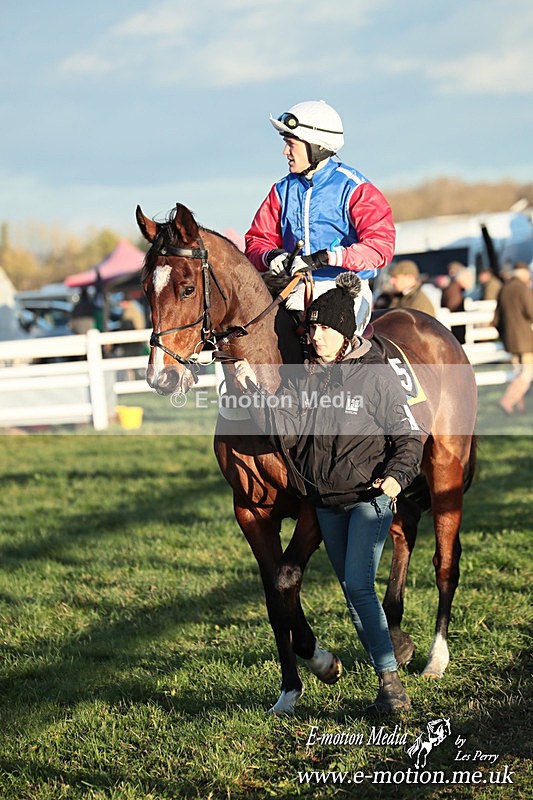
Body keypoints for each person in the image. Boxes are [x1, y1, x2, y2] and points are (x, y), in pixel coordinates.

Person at [234, 273, 424, 715]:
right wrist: (253, 390)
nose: (314, 336)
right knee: (353, 591)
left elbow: (408, 437)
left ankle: (392, 687)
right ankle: (387, 676)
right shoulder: (310, 379)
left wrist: (395, 479)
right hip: (327, 506)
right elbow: (290, 433)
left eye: (323, 329)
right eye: (312, 328)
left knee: (358, 586)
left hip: (368, 500)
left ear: (344, 333)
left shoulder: (375, 375)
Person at [245, 100, 396, 334]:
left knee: (329, 346)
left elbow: (380, 248)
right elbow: (256, 240)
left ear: (316, 146)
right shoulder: (281, 190)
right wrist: (270, 256)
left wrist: (325, 258)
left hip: (346, 290)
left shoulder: (356, 189)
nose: (285, 152)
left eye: (291, 144)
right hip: (296, 289)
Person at [493, 262, 533, 414]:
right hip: (525, 339)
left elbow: (496, 319)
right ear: (523, 274)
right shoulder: (523, 289)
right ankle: (507, 401)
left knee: (517, 372)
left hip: (509, 340)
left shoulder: (503, 289)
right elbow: (531, 312)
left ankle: (519, 407)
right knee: (527, 374)